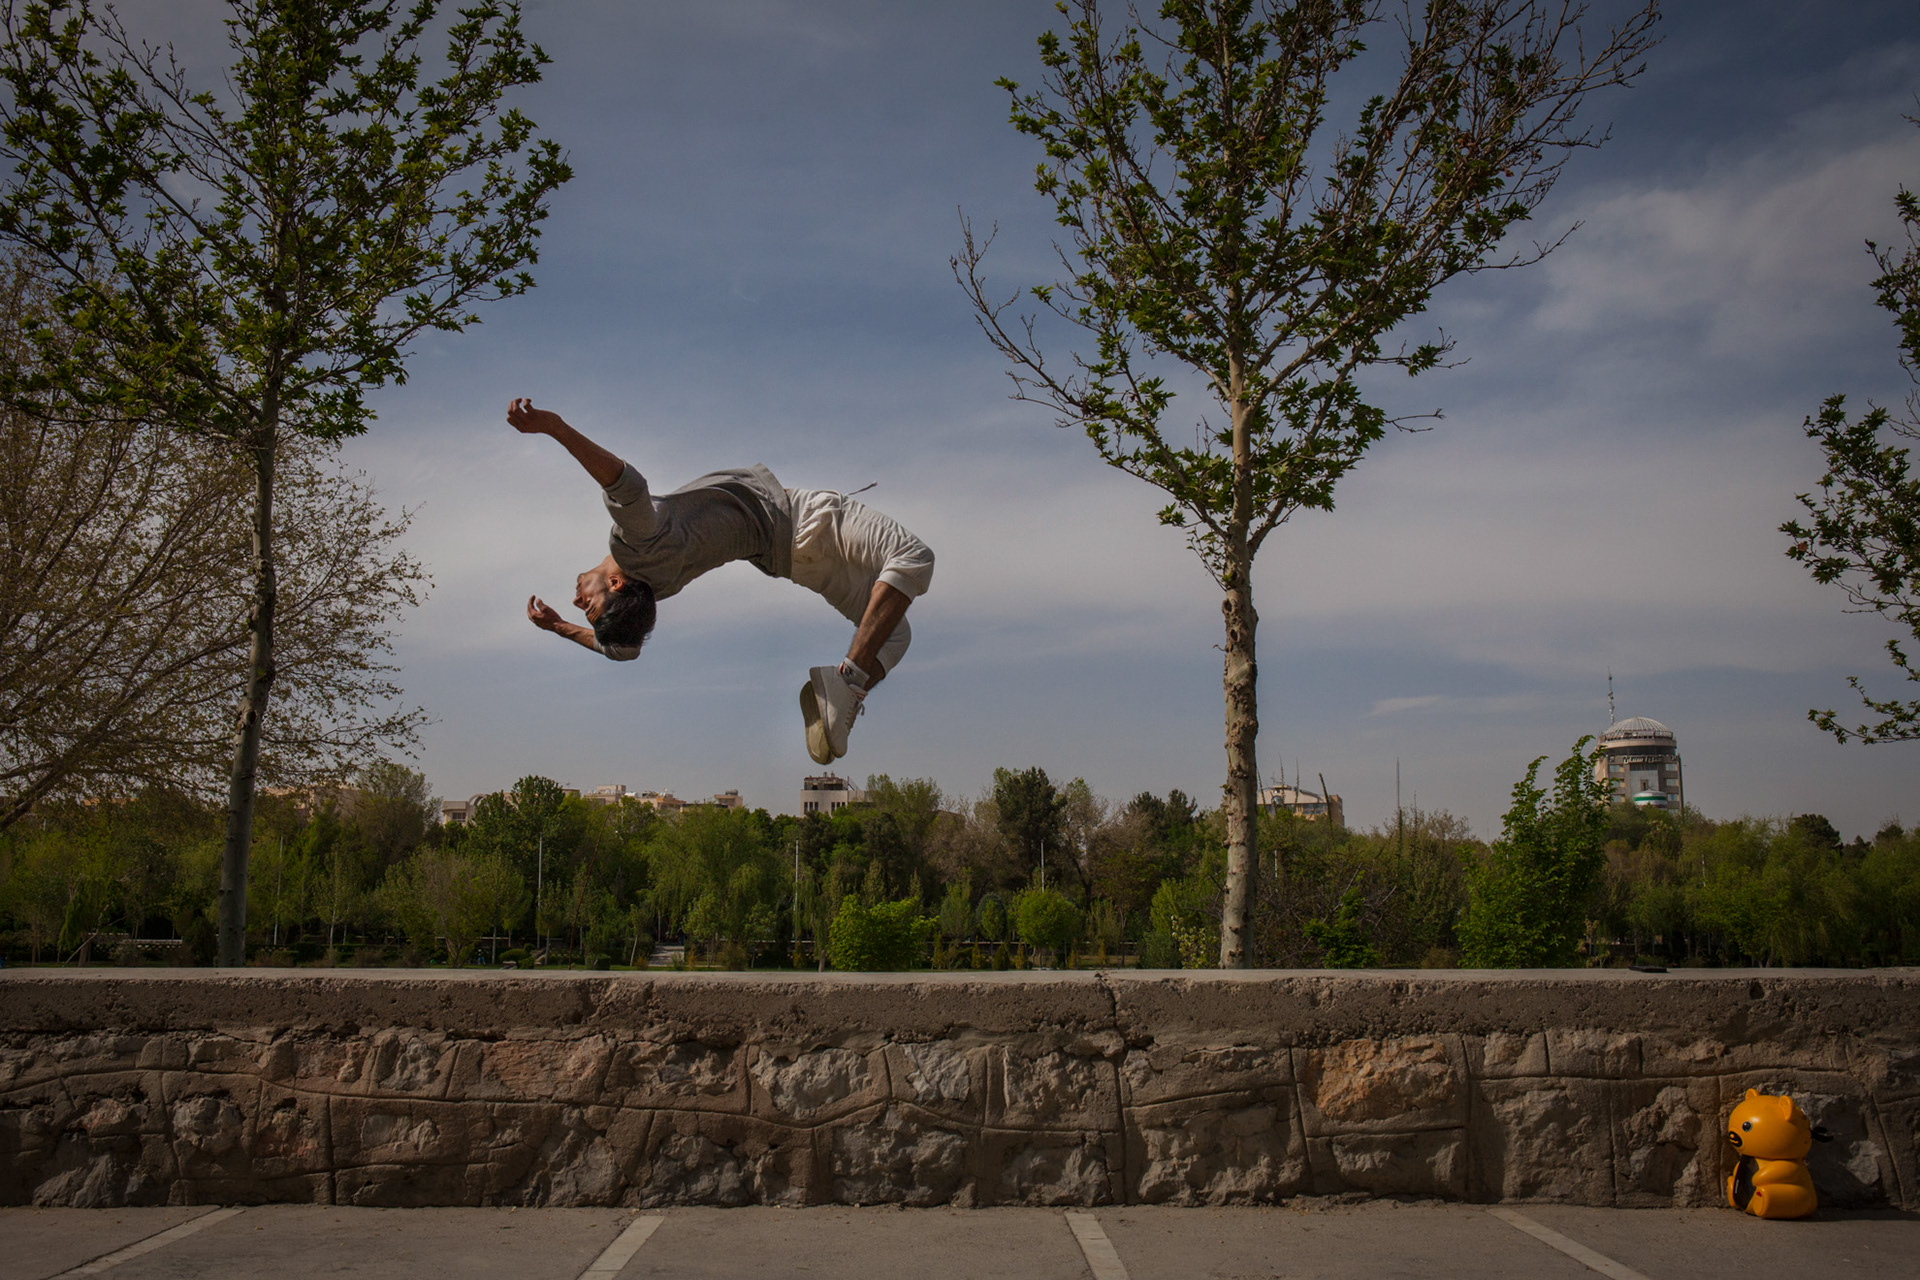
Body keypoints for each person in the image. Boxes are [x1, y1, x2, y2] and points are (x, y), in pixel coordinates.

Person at [509, 399, 931, 764]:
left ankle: (843, 687)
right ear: (616, 587)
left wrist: (560, 627)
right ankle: (847, 684)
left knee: (893, 636)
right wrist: (555, 428)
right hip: (803, 521)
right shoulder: (637, 544)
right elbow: (627, 485)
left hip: (790, 562)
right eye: (587, 604)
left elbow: (625, 650)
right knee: (913, 557)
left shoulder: (653, 592)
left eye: (583, 605)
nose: (577, 598)